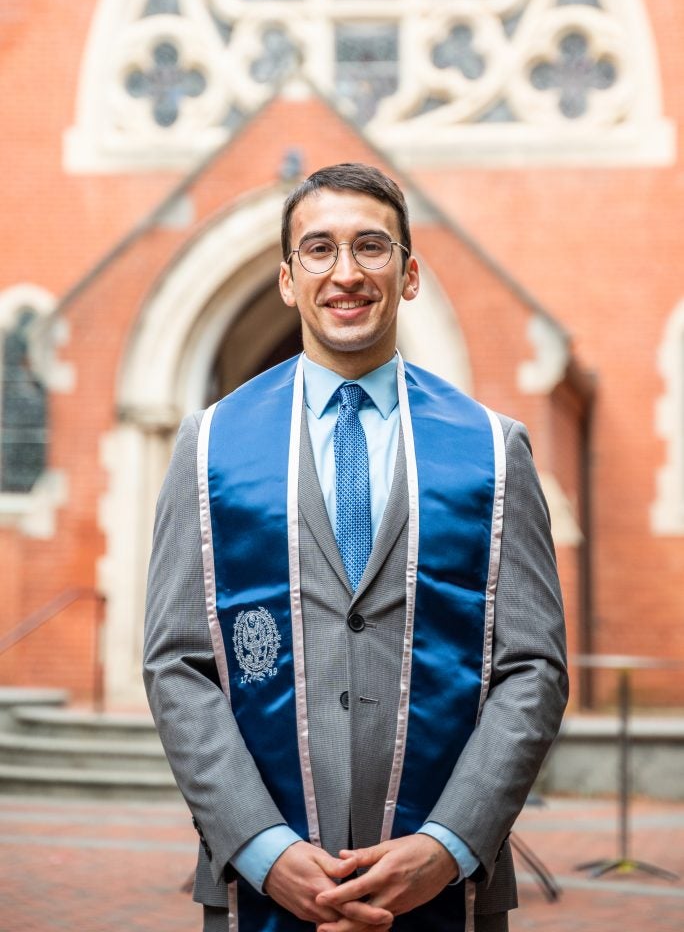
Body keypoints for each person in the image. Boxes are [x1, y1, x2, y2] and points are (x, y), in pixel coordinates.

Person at [143, 162, 568, 932]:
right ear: (286, 278)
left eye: (371, 248)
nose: (346, 273)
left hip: (446, 892)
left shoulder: (492, 450)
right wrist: (264, 848)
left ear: (408, 276)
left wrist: (447, 844)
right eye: (319, 250)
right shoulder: (209, 446)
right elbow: (178, 663)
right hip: (261, 891)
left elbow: (532, 668)